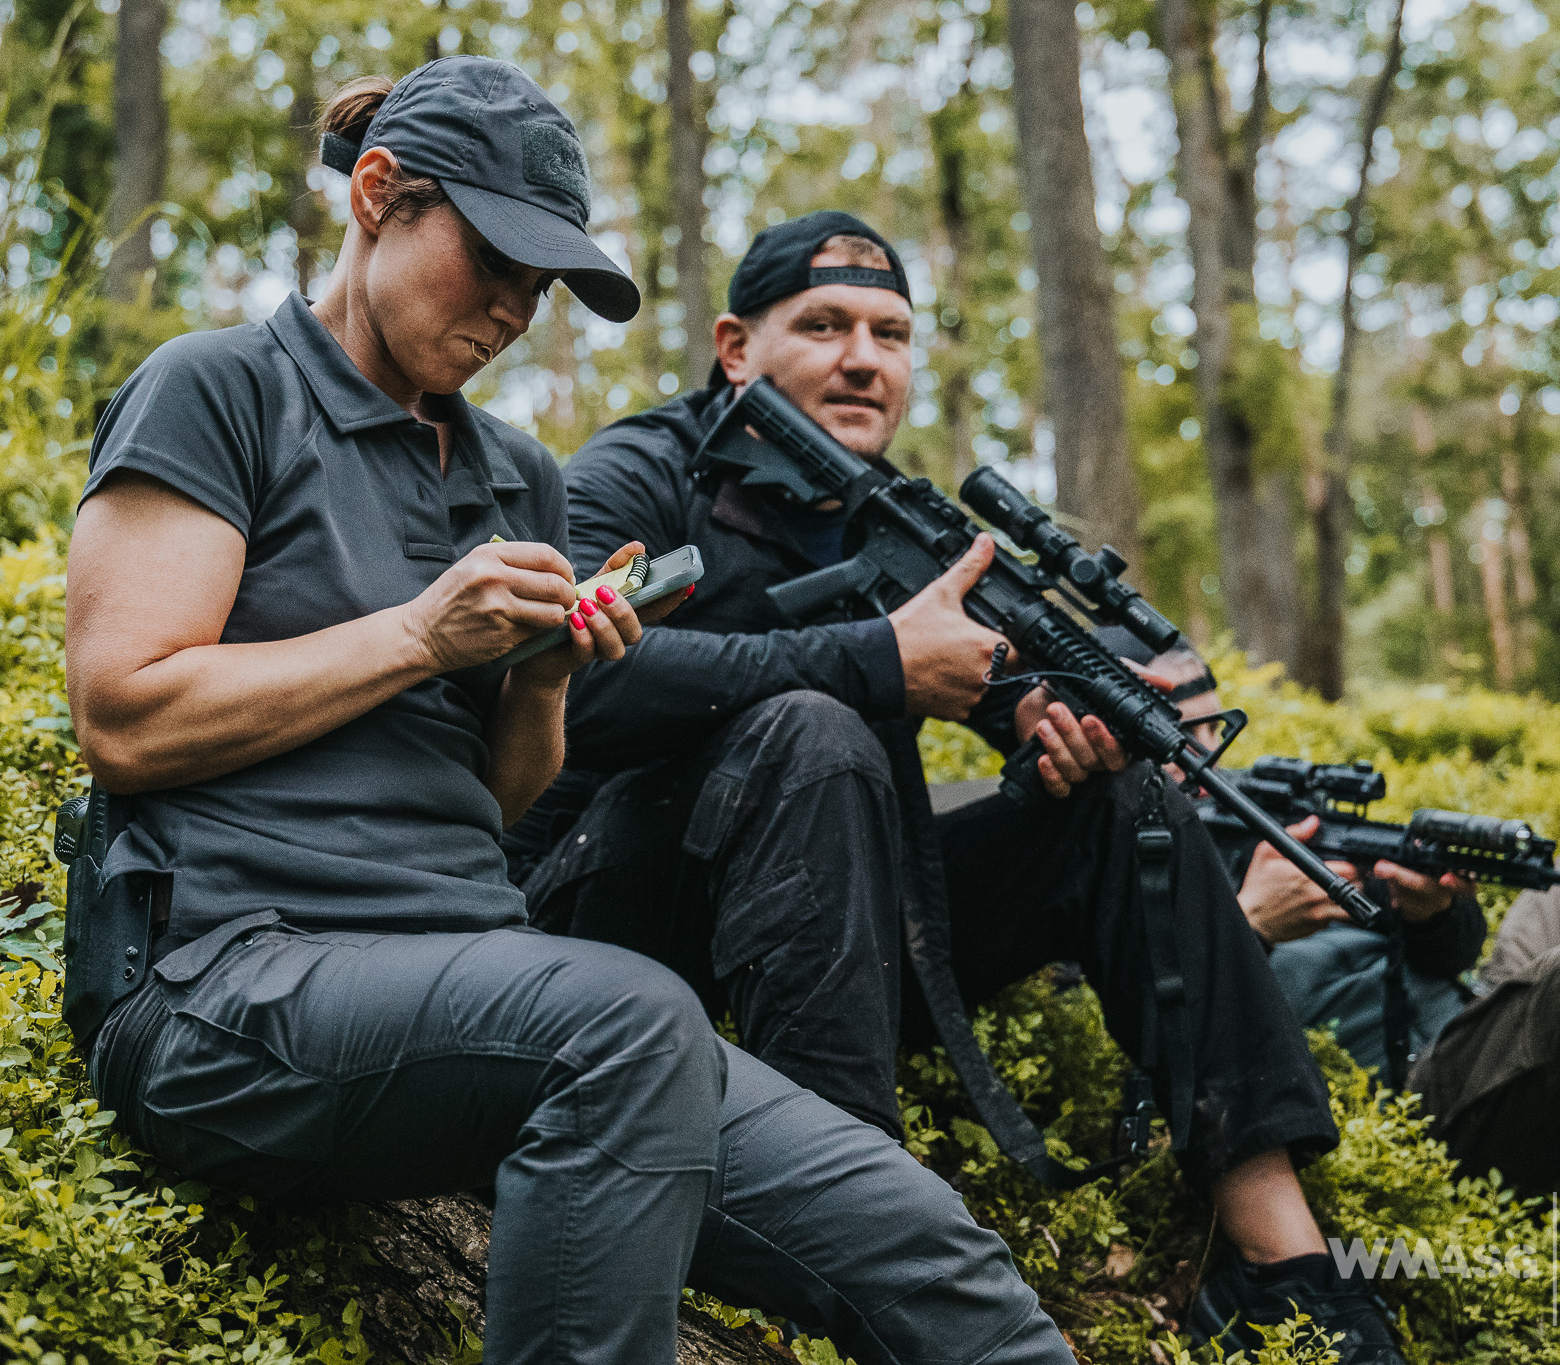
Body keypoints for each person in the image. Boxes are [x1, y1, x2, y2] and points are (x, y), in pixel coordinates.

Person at [65, 61, 1076, 1365]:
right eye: (491, 261)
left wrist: (538, 676)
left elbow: (491, 802)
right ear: (379, 197)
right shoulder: (217, 391)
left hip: (470, 989)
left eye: (540, 287)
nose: (510, 311)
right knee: (629, 1014)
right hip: (222, 991)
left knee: (931, 1252)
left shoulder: (516, 477)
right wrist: (424, 633)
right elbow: (126, 715)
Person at [507, 211, 1406, 1364]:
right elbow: (575, 687)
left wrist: (1050, 731)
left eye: (890, 333)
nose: (862, 358)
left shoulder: (907, 524)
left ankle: (1280, 1261)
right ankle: (856, 1225)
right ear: (735, 346)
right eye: (822, 325)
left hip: (823, 923)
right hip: (609, 920)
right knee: (812, 729)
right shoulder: (637, 473)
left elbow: (993, 691)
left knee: (1118, 804)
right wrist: (872, 662)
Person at [1141, 643, 1560, 1242]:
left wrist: (1432, 914)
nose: (1201, 756)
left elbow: (1452, 955)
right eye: (1172, 735)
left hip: (1478, 1010)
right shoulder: (1114, 871)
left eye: (1211, 730)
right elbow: (1142, 1067)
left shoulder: (1249, 807)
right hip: (1418, 1104)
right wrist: (1253, 927)